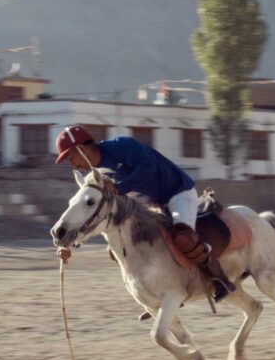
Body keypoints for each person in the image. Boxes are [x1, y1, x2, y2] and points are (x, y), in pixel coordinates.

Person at [54, 125, 235, 301]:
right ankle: (153, 292)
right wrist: (69, 242)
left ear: (82, 148)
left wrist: (119, 187)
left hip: (177, 191)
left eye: (70, 156)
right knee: (118, 245)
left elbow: (147, 169)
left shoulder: (122, 146)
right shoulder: (95, 175)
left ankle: (220, 280)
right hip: (147, 202)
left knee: (183, 238)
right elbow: (93, 213)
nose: (71, 164)